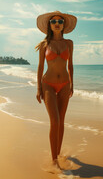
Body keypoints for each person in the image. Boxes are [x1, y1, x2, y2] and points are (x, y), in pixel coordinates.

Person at [35, 11, 76, 169]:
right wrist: (38, 88)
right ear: (49, 26)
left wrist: (72, 84)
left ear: (64, 25)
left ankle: (57, 153)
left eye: (60, 21)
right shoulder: (44, 45)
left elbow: (70, 65)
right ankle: (54, 161)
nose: (57, 23)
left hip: (65, 84)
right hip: (48, 85)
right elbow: (40, 67)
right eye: (53, 21)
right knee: (55, 121)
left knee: (62, 122)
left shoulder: (69, 43)